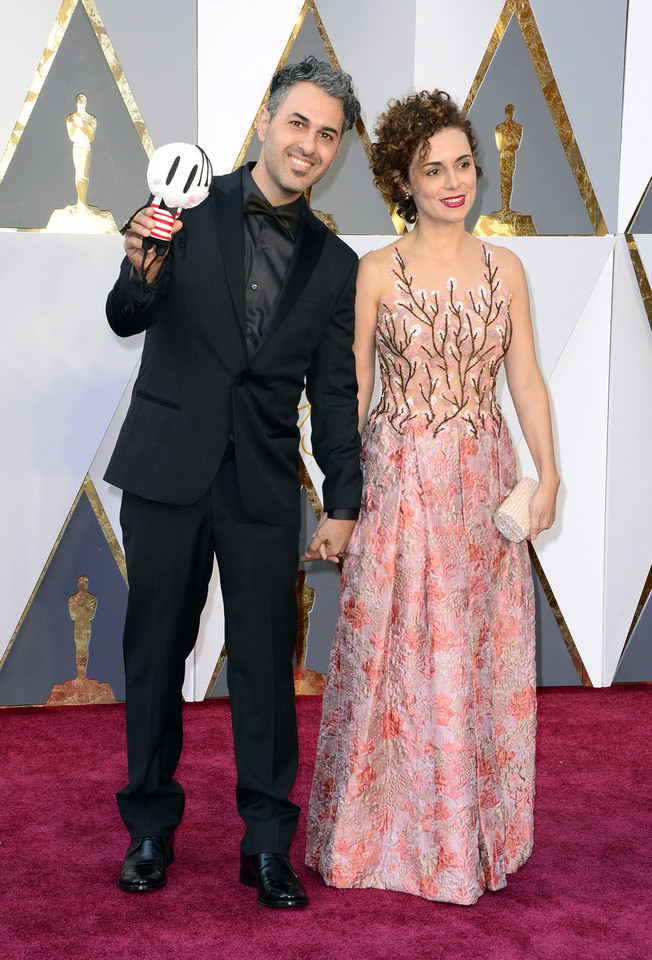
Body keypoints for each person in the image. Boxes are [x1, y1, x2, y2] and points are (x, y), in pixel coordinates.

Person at [105, 56, 362, 907]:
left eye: (327, 136)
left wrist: (344, 497)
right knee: (154, 654)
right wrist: (142, 260)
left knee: (264, 664)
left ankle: (265, 845)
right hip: (168, 464)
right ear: (265, 120)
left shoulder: (333, 262)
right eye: (300, 125)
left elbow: (334, 392)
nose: (310, 145)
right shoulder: (182, 204)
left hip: (260, 483)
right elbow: (125, 316)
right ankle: (149, 828)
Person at [306, 90, 559, 905]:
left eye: (464, 166)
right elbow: (347, 389)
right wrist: (337, 496)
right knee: (398, 657)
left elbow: (524, 376)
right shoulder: (376, 271)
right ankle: (386, 838)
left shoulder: (506, 268)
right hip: (401, 480)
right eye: (433, 170)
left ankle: (466, 836)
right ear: (402, 180)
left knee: (472, 658)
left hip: (483, 481)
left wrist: (548, 475)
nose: (454, 183)